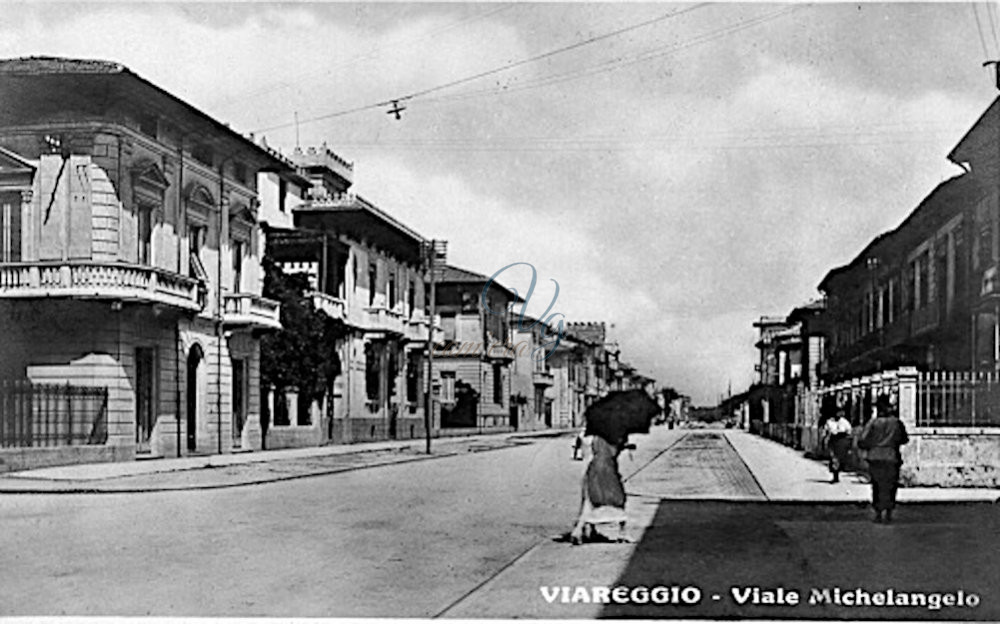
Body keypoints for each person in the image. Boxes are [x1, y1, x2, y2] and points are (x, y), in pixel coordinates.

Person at [568, 433, 634, 545]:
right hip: (603, 470)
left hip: (588, 470)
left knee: (589, 501)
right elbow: (613, 451)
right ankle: (622, 533)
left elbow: (579, 449)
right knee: (618, 499)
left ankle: (588, 531)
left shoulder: (584, 435)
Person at [858, 396, 909, 524]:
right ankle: (889, 513)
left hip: (875, 458)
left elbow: (862, 441)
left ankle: (878, 513)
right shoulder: (896, 423)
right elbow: (904, 439)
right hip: (892, 457)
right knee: (890, 486)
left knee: (877, 485)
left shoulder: (873, 423)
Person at [823, 410, 853, 483]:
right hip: (833, 440)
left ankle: (837, 473)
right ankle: (835, 476)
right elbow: (826, 432)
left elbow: (849, 432)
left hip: (841, 441)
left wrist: (849, 444)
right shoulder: (830, 422)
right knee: (833, 458)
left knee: (840, 458)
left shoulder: (845, 422)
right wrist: (825, 441)